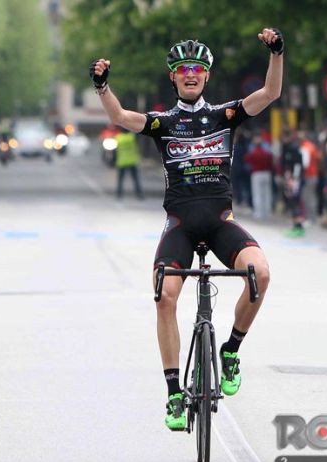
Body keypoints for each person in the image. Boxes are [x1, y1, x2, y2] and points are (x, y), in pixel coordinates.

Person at [89, 28, 282, 430]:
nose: (190, 74)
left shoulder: (225, 116)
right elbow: (120, 117)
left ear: (206, 76)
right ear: (173, 77)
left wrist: (276, 53)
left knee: (260, 274)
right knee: (165, 296)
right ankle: (174, 393)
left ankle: (230, 351)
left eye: (196, 69)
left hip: (221, 222)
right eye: (182, 69)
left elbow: (270, 93)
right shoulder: (163, 122)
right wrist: (102, 86)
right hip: (180, 225)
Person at [244, 132, 274, 220]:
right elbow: (271, 161)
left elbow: (247, 160)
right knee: (267, 194)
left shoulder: (253, 152)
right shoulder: (267, 153)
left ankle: (258, 213)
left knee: (257, 194)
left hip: (256, 173)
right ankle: (267, 212)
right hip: (267, 173)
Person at [281, 129, 305, 237]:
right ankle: (295, 225)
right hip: (289, 177)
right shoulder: (286, 147)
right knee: (291, 201)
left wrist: (294, 179)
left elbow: (297, 165)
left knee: (295, 201)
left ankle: (299, 226)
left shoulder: (294, 148)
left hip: (295, 179)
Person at [114, 128, 144, 199]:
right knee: (135, 179)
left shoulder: (118, 138)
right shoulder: (132, 137)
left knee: (120, 179)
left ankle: (119, 194)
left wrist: (114, 160)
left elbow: (115, 150)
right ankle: (139, 194)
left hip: (122, 162)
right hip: (132, 161)